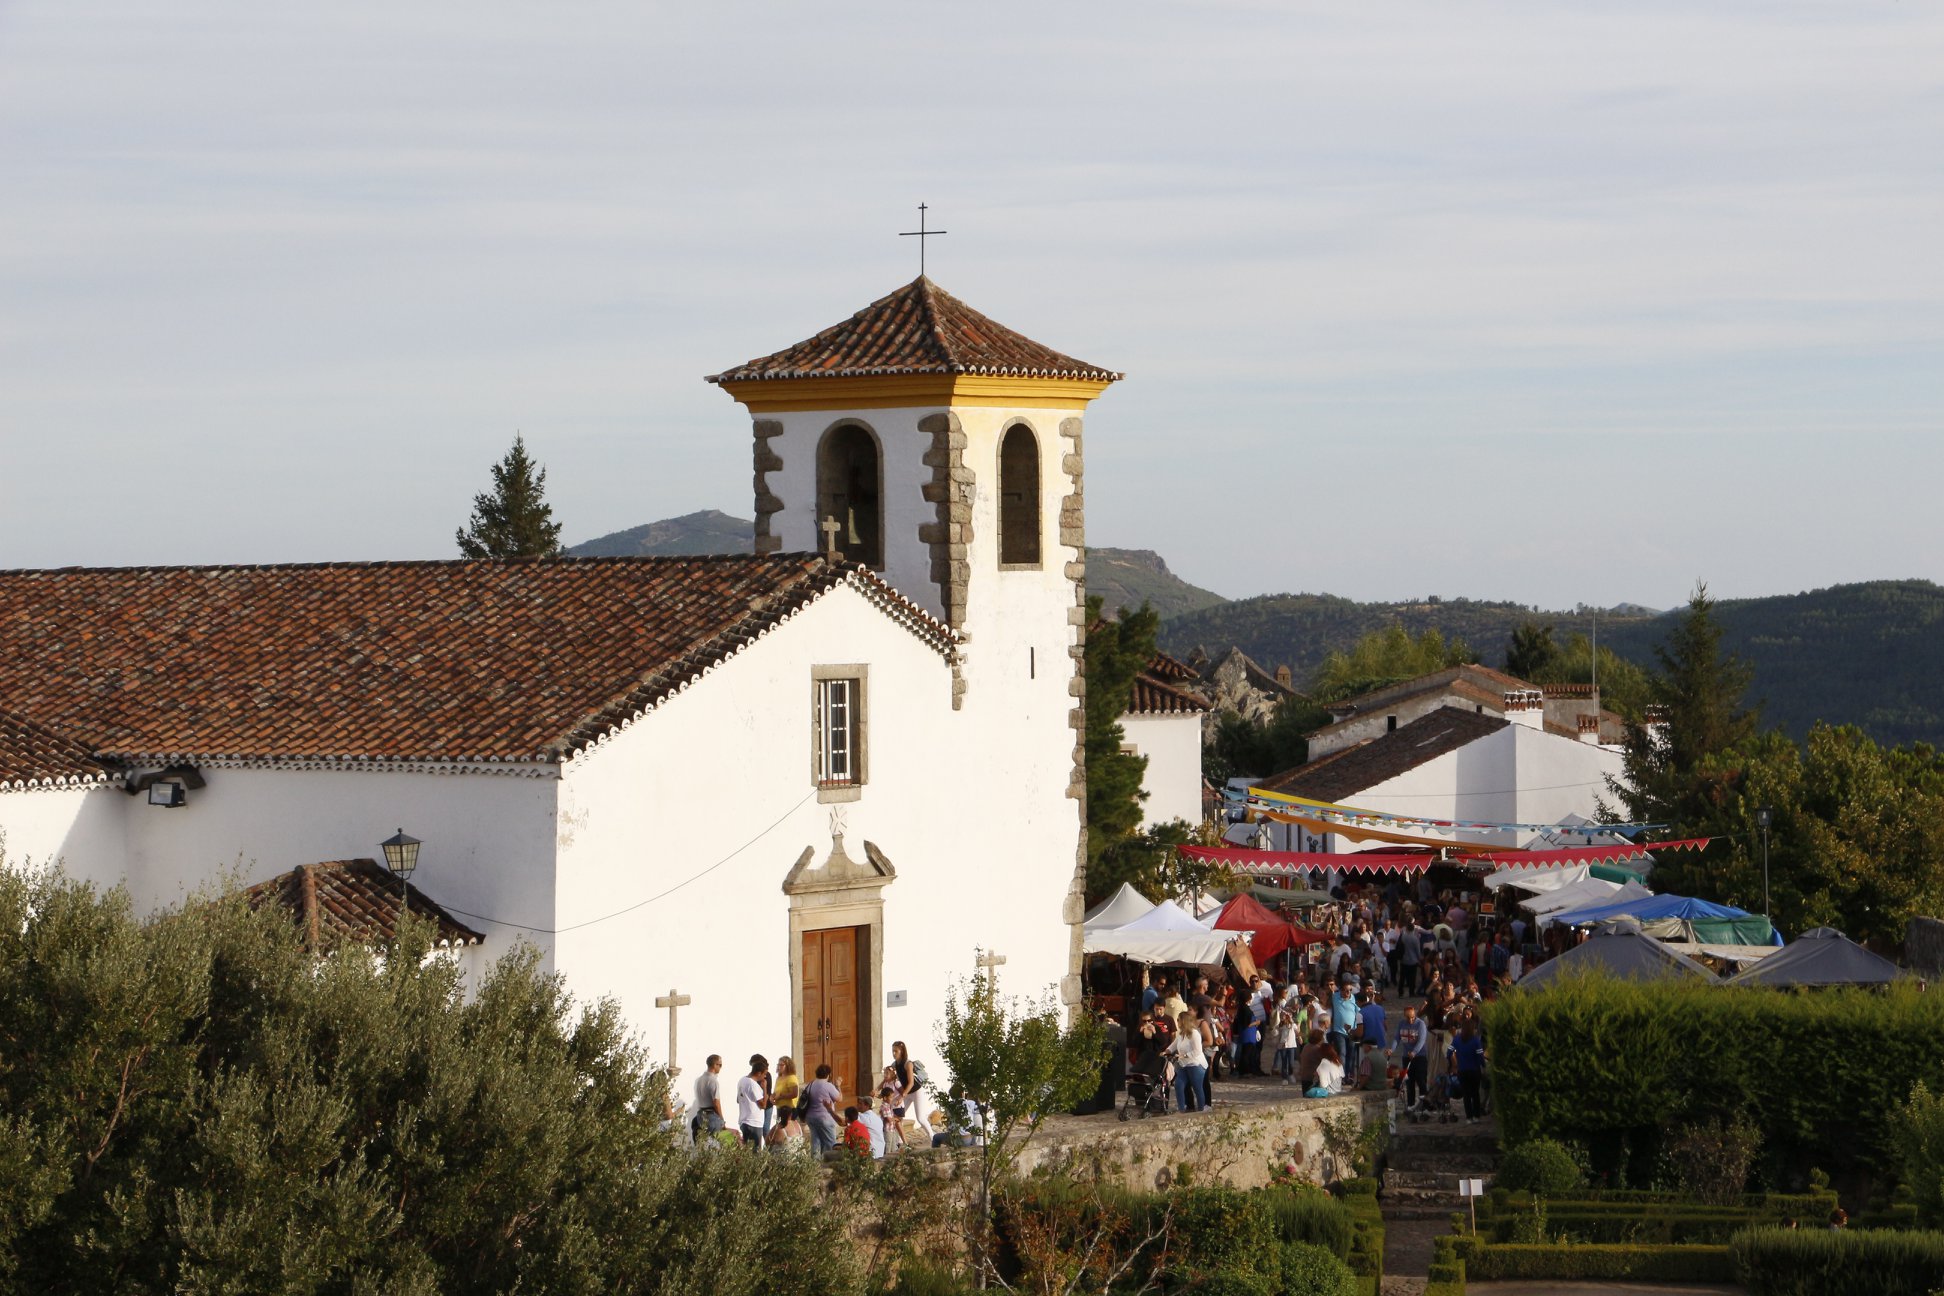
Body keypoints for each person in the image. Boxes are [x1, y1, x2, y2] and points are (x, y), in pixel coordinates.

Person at [1169, 1010, 1207, 1113]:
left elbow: (1198, 1050)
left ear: (1183, 1021)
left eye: (1178, 1020)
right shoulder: (1181, 1034)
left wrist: (1185, 1055)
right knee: (1178, 1085)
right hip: (1183, 1064)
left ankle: (1201, 1109)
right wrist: (1166, 1051)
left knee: (1197, 1087)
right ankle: (1181, 1109)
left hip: (1195, 1064)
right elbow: (1173, 1045)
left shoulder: (1194, 1034)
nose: (1177, 1022)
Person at [802, 1063, 843, 1155]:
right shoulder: (828, 1085)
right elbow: (839, 1099)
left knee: (815, 1143)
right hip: (825, 1118)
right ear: (828, 1075)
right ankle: (828, 1162)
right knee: (830, 1144)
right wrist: (838, 1086)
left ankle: (815, 1162)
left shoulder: (810, 1085)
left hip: (811, 1117)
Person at [1452, 1021, 1487, 1123]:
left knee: (1466, 1095)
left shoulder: (1456, 1039)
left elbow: (1449, 1051)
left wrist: (1454, 1063)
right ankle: (1476, 1116)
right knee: (1475, 1094)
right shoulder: (1475, 1041)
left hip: (1462, 1070)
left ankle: (1469, 1117)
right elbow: (1480, 1055)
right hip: (1474, 1070)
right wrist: (1483, 1065)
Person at [1395, 1005, 1429, 1109]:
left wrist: (1414, 1052)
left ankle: (1424, 1106)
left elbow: (1421, 1041)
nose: (1410, 1020)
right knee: (1409, 1082)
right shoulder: (1401, 1024)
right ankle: (1411, 1105)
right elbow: (1397, 1038)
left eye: (1412, 1018)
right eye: (1408, 1018)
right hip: (1406, 1057)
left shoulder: (1420, 1024)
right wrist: (1391, 1049)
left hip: (1419, 1057)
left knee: (1421, 1081)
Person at [891, 1040, 927, 1131]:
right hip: (907, 1093)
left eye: (896, 1051)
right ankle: (899, 1139)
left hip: (916, 1091)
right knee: (897, 1115)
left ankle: (933, 1137)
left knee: (920, 1118)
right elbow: (888, 1073)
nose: (894, 1053)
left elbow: (911, 1083)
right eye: (893, 1051)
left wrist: (901, 1097)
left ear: (902, 1052)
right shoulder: (895, 1064)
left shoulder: (908, 1064)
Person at [737, 1055, 771, 1148]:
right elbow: (763, 1105)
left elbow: (738, 1100)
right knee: (755, 1152)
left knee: (747, 1150)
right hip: (754, 1122)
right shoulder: (753, 1085)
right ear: (759, 1073)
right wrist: (764, 1089)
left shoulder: (742, 1080)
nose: (765, 1076)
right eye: (764, 1074)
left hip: (744, 1121)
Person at [692, 1054, 726, 1141]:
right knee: (716, 1144)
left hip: (700, 1115)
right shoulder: (713, 1081)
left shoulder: (699, 1080)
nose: (720, 1067)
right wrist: (722, 1119)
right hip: (711, 1116)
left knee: (705, 1143)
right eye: (720, 1065)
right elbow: (716, 1102)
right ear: (715, 1065)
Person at [1273, 1001, 1301, 1085]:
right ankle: (1284, 1077)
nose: (1283, 1017)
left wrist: (1291, 1020)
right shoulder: (1280, 1025)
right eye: (1282, 1015)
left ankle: (1291, 1074)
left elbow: (1297, 1030)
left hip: (1291, 1045)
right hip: (1283, 1046)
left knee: (1291, 1062)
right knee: (1284, 1061)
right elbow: (1275, 1031)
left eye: (1285, 1015)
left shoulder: (1292, 1025)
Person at [771, 1055, 801, 1132]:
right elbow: (775, 1092)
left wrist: (781, 1096)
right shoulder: (779, 1078)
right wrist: (771, 1097)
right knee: (779, 1129)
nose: (779, 1067)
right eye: (778, 1064)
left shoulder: (791, 1078)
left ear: (788, 1066)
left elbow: (794, 1094)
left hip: (789, 1110)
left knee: (788, 1130)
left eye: (781, 1065)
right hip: (779, 1108)